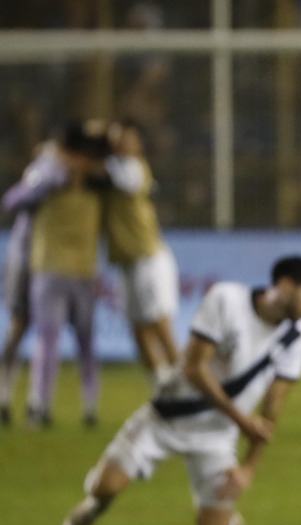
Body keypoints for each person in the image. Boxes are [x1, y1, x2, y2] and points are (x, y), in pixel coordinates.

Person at [62, 257, 301, 525]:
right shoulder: (226, 300)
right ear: (285, 285)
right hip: (167, 417)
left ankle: (228, 521)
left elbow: (273, 406)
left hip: (217, 435)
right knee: (106, 486)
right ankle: (95, 505)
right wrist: (240, 419)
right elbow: (193, 368)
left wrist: (248, 468)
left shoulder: (297, 335)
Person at [19, 121, 111, 429]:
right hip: (49, 270)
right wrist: (47, 172)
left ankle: (90, 408)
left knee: (86, 341)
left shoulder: (100, 186)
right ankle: (38, 405)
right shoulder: (46, 181)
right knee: (47, 338)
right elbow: (14, 199)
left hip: (84, 272)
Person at [103, 118, 181, 381]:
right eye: (117, 138)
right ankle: (161, 385)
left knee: (159, 323)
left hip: (148, 257)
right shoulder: (108, 171)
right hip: (126, 260)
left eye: (127, 139)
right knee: (137, 328)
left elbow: (124, 181)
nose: (122, 144)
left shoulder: (133, 169)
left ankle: (186, 384)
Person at [0, 141, 53, 427]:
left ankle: (37, 402)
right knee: (19, 326)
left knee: (47, 331)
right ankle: (4, 397)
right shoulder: (40, 175)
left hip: (51, 263)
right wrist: (39, 186)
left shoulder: (68, 180)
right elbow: (12, 201)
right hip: (24, 260)